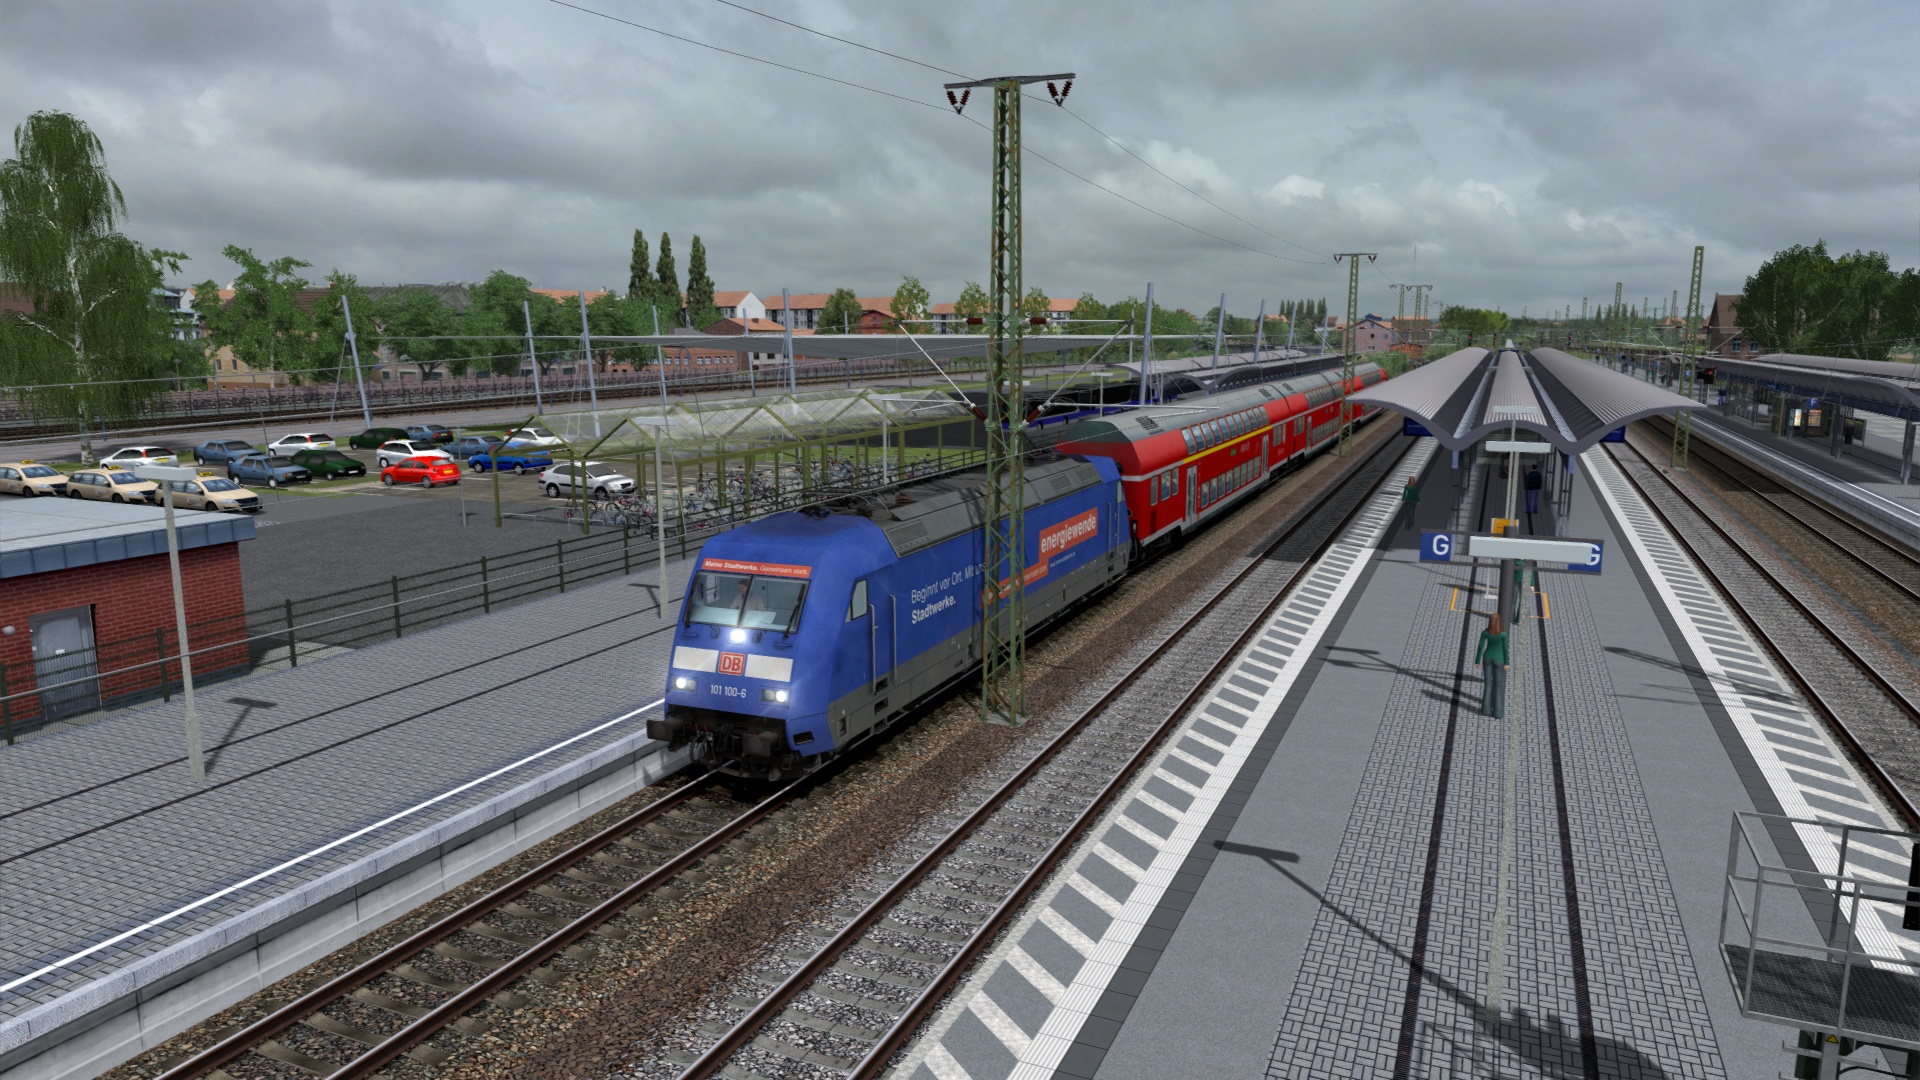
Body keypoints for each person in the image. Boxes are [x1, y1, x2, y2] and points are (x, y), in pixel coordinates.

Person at [1477, 613, 1510, 718]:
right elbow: (1505, 649)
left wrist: (1477, 661)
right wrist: (1507, 663)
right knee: (1498, 687)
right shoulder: (1503, 634)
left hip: (1487, 658)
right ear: (1499, 621)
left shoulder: (1485, 633)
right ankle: (1498, 713)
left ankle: (1486, 710)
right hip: (1499, 660)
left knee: (1487, 685)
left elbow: (1480, 647)